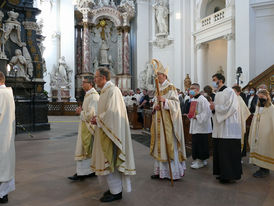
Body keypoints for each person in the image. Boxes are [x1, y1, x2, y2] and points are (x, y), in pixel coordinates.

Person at [91, 68, 136, 202]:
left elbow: (113, 113)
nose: (95, 79)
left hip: (112, 133)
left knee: (111, 161)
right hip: (105, 131)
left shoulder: (113, 90)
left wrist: (99, 119)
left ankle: (116, 192)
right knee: (108, 161)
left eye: (96, 77)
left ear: (103, 78)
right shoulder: (105, 91)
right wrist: (98, 118)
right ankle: (113, 189)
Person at [150, 59, 186, 180]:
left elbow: (176, 104)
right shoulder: (158, 88)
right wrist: (154, 106)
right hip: (158, 122)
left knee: (168, 146)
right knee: (159, 147)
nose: (157, 77)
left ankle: (172, 172)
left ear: (164, 75)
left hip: (168, 123)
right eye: (156, 75)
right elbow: (155, 102)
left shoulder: (171, 88)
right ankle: (160, 172)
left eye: (158, 75)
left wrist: (165, 101)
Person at [209, 73, 242, 184]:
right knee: (221, 152)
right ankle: (223, 173)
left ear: (221, 80)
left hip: (228, 126)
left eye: (215, 80)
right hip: (220, 127)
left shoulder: (229, 91)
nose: (213, 82)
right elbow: (217, 110)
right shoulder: (218, 93)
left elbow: (231, 107)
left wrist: (215, 107)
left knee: (228, 152)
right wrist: (213, 109)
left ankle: (229, 175)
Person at [68, 76, 99, 181]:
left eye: (84, 82)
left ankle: (83, 173)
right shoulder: (89, 95)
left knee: (85, 150)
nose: (82, 85)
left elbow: (91, 115)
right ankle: (86, 171)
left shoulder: (94, 96)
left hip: (89, 128)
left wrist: (80, 112)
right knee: (85, 150)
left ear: (90, 84)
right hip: (85, 126)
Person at [249, 89, 274, 178]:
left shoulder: (271, 108)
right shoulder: (258, 107)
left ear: (267, 97)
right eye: (259, 97)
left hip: (266, 133)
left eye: (262, 97)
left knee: (264, 150)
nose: (260, 99)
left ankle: (265, 170)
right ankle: (261, 168)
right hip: (257, 133)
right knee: (259, 149)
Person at [0, 71, 15, 204]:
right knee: (5, 164)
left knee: (2, 165)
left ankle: (2, 195)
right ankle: (4, 193)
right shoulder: (9, 93)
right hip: (7, 134)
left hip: (1, 134)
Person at [189, 83, 212, 169]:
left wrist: (197, 117)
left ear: (197, 90)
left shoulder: (203, 100)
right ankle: (198, 160)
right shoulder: (193, 99)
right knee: (196, 143)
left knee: (201, 144)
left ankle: (201, 160)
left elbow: (207, 113)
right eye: (190, 88)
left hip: (202, 127)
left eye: (192, 88)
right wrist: (190, 115)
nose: (190, 90)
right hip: (196, 125)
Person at [232, 85, 251, 157]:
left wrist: (240, 119)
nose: (232, 93)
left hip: (238, 123)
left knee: (239, 140)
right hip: (232, 123)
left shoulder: (239, 100)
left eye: (234, 92)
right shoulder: (231, 99)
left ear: (238, 92)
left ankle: (239, 156)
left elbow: (246, 112)